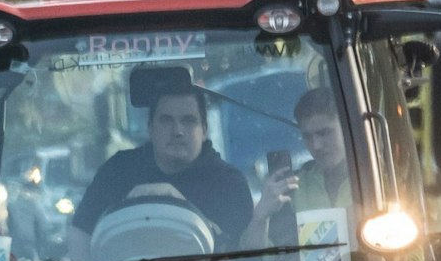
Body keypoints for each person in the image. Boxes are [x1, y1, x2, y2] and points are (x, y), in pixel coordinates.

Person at [71, 85, 253, 245]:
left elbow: (239, 257)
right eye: (166, 120)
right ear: (150, 128)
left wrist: (181, 206)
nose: (178, 131)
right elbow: (80, 232)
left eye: (188, 121)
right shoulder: (117, 172)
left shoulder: (229, 184)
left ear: (204, 130)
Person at [247, 89, 352, 247]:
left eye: (324, 133)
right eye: (307, 136)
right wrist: (261, 216)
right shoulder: (292, 189)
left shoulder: (378, 180)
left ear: (347, 125)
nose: (316, 145)